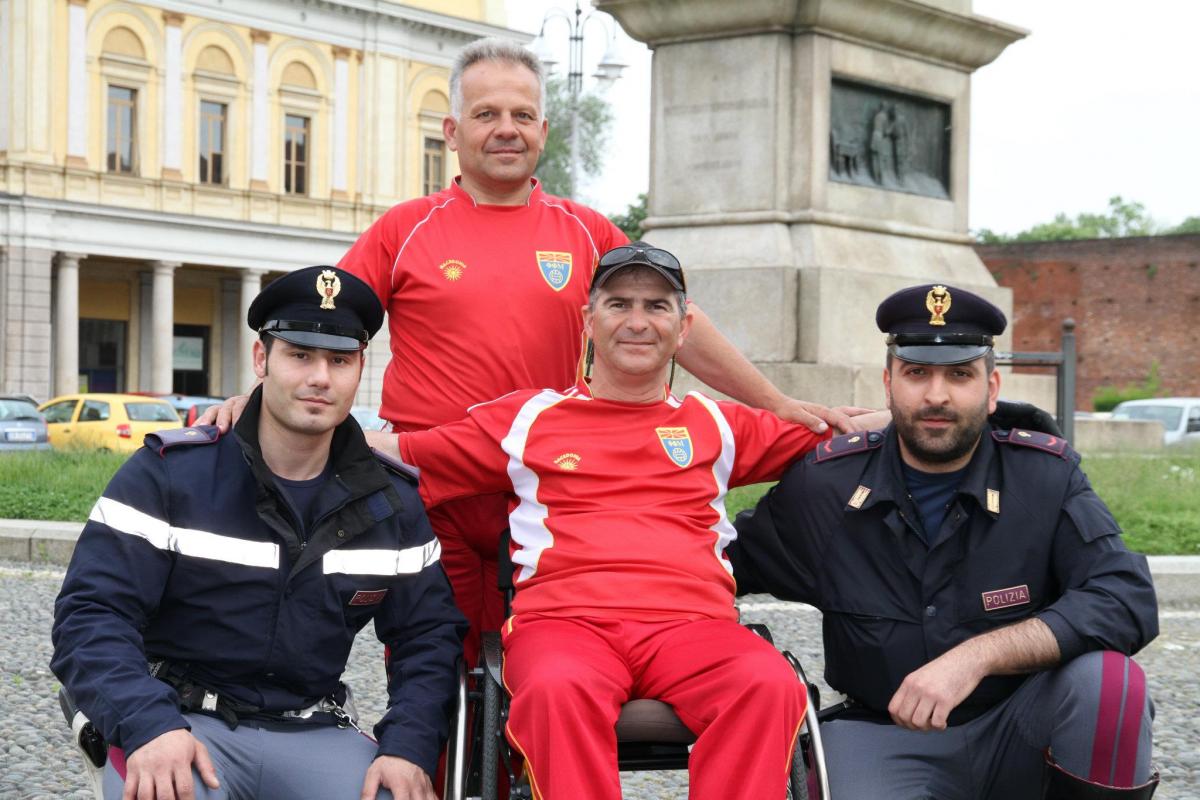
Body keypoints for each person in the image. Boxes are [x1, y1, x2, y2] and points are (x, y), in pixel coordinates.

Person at [203, 37, 862, 668]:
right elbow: (323, 325)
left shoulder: (587, 232)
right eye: (486, 114)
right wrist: (257, 399)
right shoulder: (406, 230)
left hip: (553, 490)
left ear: (544, 130)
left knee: (538, 658)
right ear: (451, 130)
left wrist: (776, 403)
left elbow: (679, 323)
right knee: (434, 658)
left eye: (522, 115)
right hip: (431, 486)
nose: (506, 128)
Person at [364, 243, 889, 799]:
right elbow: (402, 451)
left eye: (656, 306)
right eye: (618, 304)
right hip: (566, 625)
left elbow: (849, 431)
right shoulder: (528, 419)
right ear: (588, 321)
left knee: (769, 685)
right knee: (552, 691)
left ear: (683, 328)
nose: (637, 322)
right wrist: (284, 419)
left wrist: (964, 411)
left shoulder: (718, 423)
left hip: (693, 627)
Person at [728, 283, 1161, 799]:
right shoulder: (828, 486)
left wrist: (977, 657)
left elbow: (1124, 597)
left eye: (960, 374)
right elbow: (718, 566)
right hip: (882, 733)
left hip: (1017, 727)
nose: (937, 395)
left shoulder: (1043, 478)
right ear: (888, 384)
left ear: (992, 387)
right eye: (917, 373)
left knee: (1111, 685)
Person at [51, 266, 466, 800]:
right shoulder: (171, 474)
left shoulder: (391, 502)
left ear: (359, 368)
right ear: (260, 359)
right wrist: (146, 724)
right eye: (299, 355)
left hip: (312, 728)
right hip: (179, 722)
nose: (320, 377)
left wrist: (406, 748)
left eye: (339, 360)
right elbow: (92, 613)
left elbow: (428, 638)